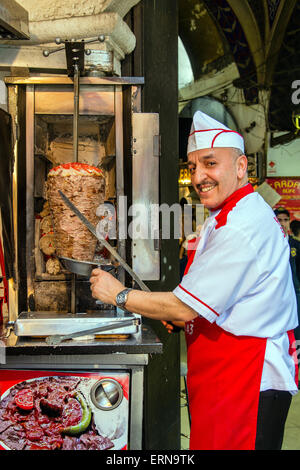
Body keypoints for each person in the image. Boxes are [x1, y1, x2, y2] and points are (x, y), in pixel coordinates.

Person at [90, 111, 298, 450]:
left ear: (241, 167)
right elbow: (201, 300)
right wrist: (180, 311)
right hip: (226, 374)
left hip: (247, 377)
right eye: (193, 166)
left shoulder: (242, 226)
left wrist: (119, 294)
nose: (200, 176)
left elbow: (185, 307)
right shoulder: (227, 214)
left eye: (211, 163)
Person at [275, 208, 300, 343]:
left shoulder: (296, 245)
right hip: (276, 294)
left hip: (295, 294)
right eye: (279, 220)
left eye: (285, 220)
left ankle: (296, 360)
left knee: (296, 331)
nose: (283, 223)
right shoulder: (268, 244)